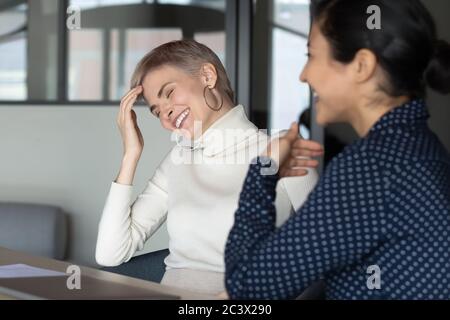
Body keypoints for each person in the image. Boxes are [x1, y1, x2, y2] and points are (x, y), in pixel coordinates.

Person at [225, 0, 450, 299]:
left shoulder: (371, 169)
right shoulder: (420, 145)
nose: (303, 75)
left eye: (311, 55)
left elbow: (248, 288)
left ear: (361, 66)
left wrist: (264, 172)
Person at [95, 40, 319, 295]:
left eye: (169, 93)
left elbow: (324, 252)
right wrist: (130, 156)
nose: (166, 113)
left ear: (208, 76)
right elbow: (110, 253)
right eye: (157, 112)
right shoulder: (178, 159)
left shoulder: (282, 150)